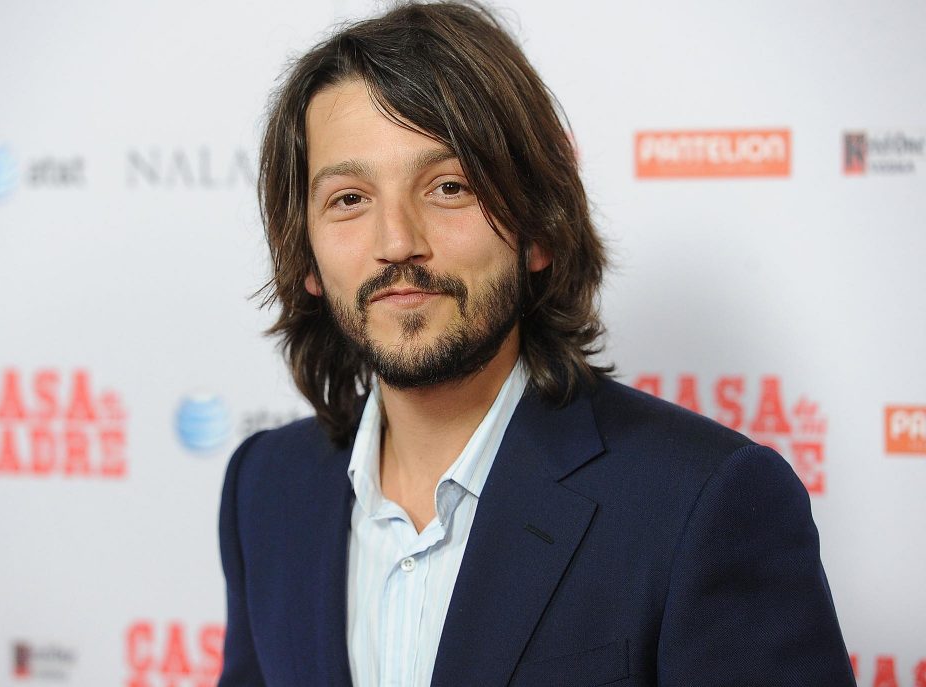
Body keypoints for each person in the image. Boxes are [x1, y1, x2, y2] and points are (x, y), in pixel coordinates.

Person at [218, 2, 856, 685]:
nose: (396, 241)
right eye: (349, 199)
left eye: (449, 187)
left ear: (539, 232)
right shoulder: (265, 488)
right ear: (307, 258)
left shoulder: (704, 502)